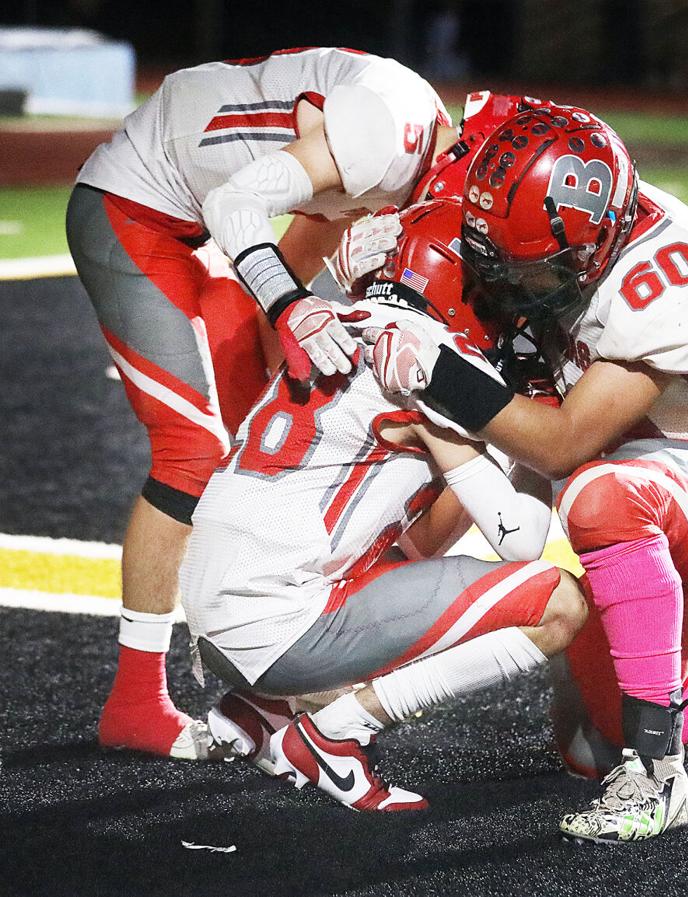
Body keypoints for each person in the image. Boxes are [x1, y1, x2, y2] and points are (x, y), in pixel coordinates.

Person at [360, 101, 688, 842]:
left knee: (597, 496)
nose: (512, 286)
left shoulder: (678, 278)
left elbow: (563, 443)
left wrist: (438, 372)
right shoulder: (553, 221)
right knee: (591, 744)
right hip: (644, 477)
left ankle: (662, 780)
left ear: (594, 245)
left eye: (530, 270)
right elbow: (454, 127)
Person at [65, 42, 529, 761]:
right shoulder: (386, 136)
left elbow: (289, 272)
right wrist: (295, 306)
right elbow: (235, 207)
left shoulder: (400, 167)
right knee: (192, 452)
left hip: (204, 228)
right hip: (136, 205)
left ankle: (266, 654)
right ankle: (134, 700)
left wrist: (306, 323)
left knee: (263, 435)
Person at [180, 200, 587, 811]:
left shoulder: (338, 318)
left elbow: (421, 543)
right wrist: (538, 445)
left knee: (399, 555)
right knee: (558, 603)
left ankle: (262, 708)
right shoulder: (429, 358)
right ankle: (337, 732)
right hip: (277, 625)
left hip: (216, 617)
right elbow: (523, 541)